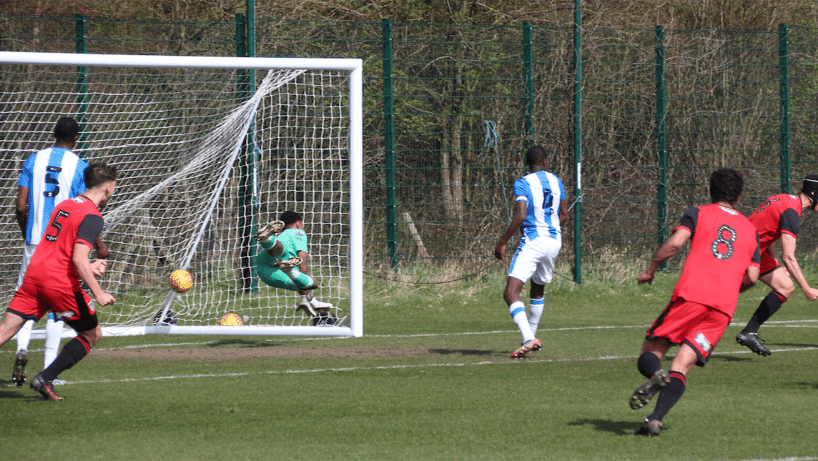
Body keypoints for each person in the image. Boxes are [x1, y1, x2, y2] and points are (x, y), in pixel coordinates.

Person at [630, 168, 760, 436]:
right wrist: (731, 290)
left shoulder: (698, 213)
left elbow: (676, 243)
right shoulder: (750, 229)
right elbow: (753, 276)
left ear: (711, 191)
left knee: (651, 351)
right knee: (682, 367)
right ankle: (655, 419)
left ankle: (656, 376)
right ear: (738, 197)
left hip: (692, 297)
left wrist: (652, 268)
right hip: (721, 310)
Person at [0, 163, 117, 401]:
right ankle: (46, 378)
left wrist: (89, 267)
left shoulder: (65, 204)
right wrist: (98, 293)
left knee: (4, 330)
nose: (113, 192)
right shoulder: (94, 216)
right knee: (91, 335)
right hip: (58, 285)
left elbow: (60, 248)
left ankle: (45, 379)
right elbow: (77, 257)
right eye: (114, 187)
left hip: (34, 277)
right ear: (107, 188)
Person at [11, 116, 109, 387]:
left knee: (22, 305)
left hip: (34, 243)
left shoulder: (33, 159)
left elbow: (21, 205)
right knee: (58, 306)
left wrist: (27, 235)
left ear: (53, 134)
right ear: (76, 138)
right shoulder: (80, 166)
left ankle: (21, 347)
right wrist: (98, 245)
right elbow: (84, 209)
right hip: (61, 242)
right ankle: (48, 369)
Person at [494, 145, 568, 359]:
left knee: (511, 292)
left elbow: (520, 215)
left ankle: (528, 338)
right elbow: (564, 215)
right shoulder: (557, 181)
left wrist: (503, 241)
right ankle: (530, 338)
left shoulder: (522, 183)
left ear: (527, 163)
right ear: (545, 162)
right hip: (554, 240)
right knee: (537, 289)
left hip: (534, 241)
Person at [734, 175, 818, 356]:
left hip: (754, 249)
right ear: (813, 193)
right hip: (743, 250)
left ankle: (749, 332)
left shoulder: (785, 200)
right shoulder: (792, 213)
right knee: (722, 295)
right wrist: (807, 289)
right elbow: (790, 257)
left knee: (785, 286)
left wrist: (775, 263)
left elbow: (765, 231)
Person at [253, 210, 335, 324]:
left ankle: (267, 239)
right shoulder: (297, 232)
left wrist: (306, 298)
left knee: (279, 251)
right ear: (298, 223)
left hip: (265, 270)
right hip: (272, 268)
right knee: (313, 283)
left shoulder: (284, 235)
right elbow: (303, 257)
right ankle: (268, 240)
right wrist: (305, 276)